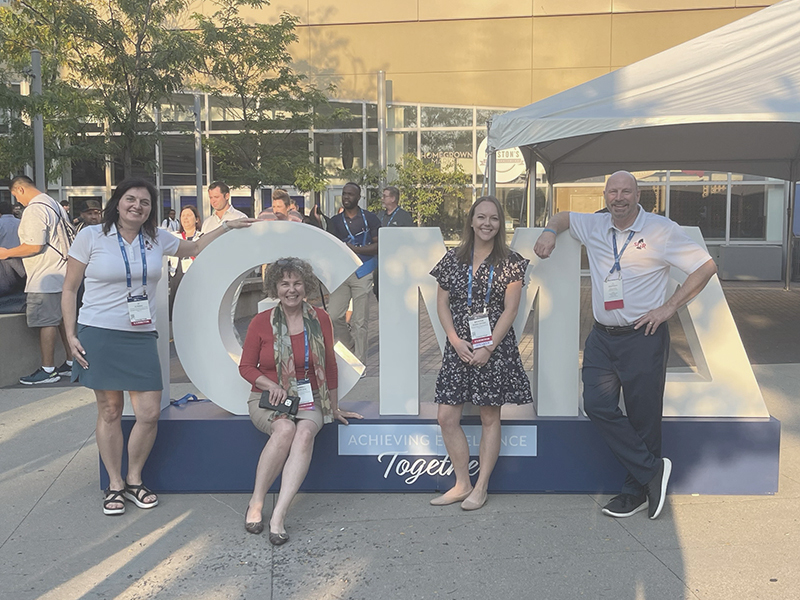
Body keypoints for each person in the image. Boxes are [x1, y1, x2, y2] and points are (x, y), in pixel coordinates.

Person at [533, 170, 717, 520]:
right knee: (597, 404)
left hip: (642, 336)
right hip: (602, 336)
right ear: (605, 195)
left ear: (638, 194)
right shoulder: (595, 225)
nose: (618, 198)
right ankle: (652, 471)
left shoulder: (661, 230)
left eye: (626, 192)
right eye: (612, 192)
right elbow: (561, 216)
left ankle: (636, 490)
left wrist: (669, 307)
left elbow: (705, 267)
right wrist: (548, 232)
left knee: (644, 418)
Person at [61, 178, 252, 516]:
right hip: (100, 332)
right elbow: (69, 288)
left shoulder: (156, 238)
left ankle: (135, 479)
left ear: (150, 209)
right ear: (118, 202)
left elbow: (193, 248)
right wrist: (71, 334)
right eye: (131, 199)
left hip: (141, 333)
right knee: (109, 411)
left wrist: (228, 227)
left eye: (145, 202)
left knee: (148, 413)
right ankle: (115, 484)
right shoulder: (91, 236)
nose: (137, 206)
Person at [239, 257, 362, 545]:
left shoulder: (319, 319)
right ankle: (256, 502)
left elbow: (330, 364)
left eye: (297, 283)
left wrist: (333, 405)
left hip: (309, 396)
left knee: (304, 433)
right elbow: (246, 367)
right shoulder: (261, 322)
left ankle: (279, 514)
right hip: (268, 399)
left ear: (305, 286)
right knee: (285, 429)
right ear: (275, 288)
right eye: (284, 284)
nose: (291, 289)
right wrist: (271, 384)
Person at [429, 196, 532, 510]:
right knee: (446, 417)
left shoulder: (511, 261)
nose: (487, 223)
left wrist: (488, 347)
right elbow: (442, 304)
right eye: (481, 217)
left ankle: (481, 487)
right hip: (458, 347)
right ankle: (462, 484)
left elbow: (510, 310)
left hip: (494, 349)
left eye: (494, 218)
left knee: (489, 416)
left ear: (501, 224)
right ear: (471, 221)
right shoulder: (452, 258)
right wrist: (455, 339)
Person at [0, 176, 73, 384]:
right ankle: (71, 362)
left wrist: (6, 253)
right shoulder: (53, 204)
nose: (17, 201)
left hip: (45, 275)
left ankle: (48, 369)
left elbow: (34, 246)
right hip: (63, 272)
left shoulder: (34, 209)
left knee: (47, 321)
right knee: (61, 320)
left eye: (15, 195)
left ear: (20, 189)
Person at [326, 182, 381, 366]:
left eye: (350, 194)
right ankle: (349, 344)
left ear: (359, 198)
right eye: (344, 194)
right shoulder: (335, 221)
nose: (346, 197)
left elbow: (378, 245)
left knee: (360, 321)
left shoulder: (370, 219)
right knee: (333, 316)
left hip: (363, 271)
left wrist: (356, 249)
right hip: (342, 273)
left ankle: (359, 363)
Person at [374, 186, 414, 299]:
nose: (382, 199)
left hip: (397, 261)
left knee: (395, 293)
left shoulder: (404, 216)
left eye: (385, 196)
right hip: (381, 260)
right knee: (378, 290)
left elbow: (409, 238)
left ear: (393, 198)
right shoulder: (380, 215)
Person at [167, 205, 203, 319]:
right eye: (183, 215)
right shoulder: (173, 237)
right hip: (176, 276)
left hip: (194, 279)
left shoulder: (201, 237)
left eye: (189, 215)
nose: (185, 218)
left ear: (196, 219)